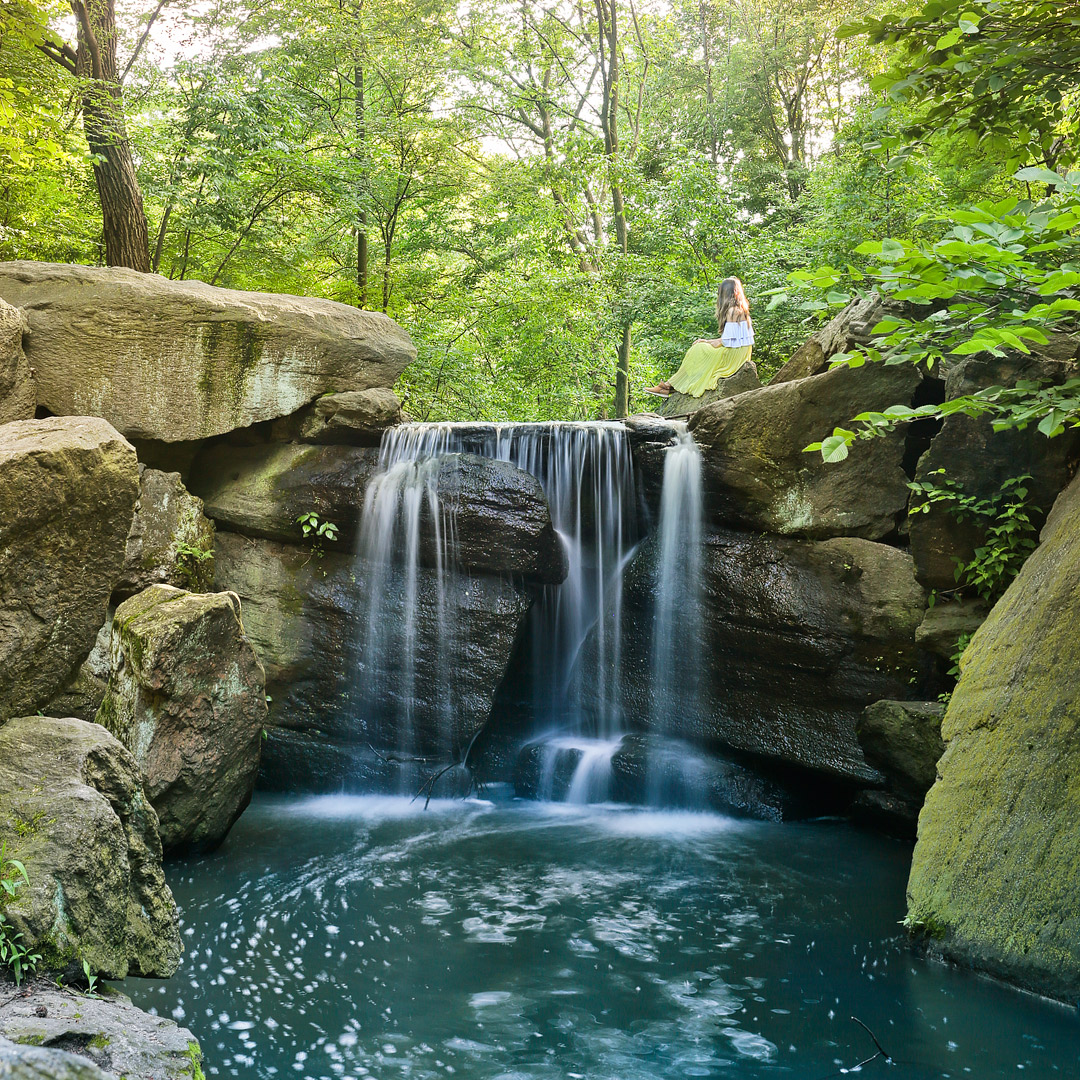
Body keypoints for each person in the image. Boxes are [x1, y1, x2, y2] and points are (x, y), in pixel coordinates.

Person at [644, 277, 754, 398]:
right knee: (700, 347)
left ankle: (667, 386)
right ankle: (668, 386)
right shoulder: (741, 309)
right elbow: (730, 339)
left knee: (697, 350)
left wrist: (707, 342)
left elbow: (725, 341)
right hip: (739, 352)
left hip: (734, 355)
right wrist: (707, 341)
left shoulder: (733, 311)